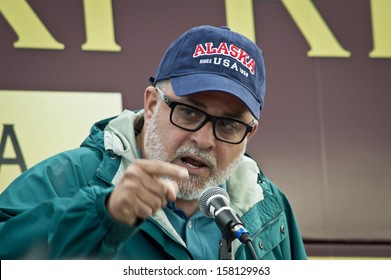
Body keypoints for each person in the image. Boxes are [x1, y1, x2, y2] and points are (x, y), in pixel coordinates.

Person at [0, 25, 307, 260]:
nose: (203, 140)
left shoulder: (269, 207)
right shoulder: (66, 179)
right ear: (150, 106)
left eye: (228, 124)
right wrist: (102, 216)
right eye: (188, 112)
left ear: (249, 133)